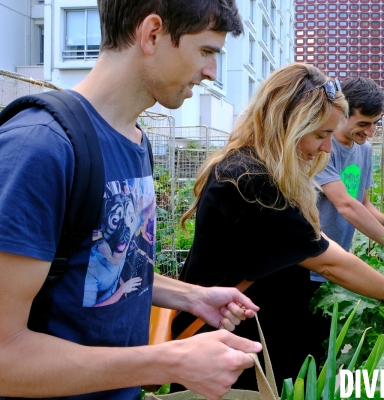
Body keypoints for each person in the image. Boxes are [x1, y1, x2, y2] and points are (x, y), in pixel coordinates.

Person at [0, 1, 263, 399]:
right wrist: (169, 361)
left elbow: (100, 268)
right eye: (207, 51)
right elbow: (5, 357)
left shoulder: (136, 140)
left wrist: (193, 297)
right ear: (152, 34)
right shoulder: (40, 147)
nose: (211, 71)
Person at [174, 63, 384, 391]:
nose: (326, 148)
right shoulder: (250, 181)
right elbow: (330, 262)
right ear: (288, 124)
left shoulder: (256, 169)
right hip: (230, 343)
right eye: (321, 134)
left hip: (251, 331)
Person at [315, 77, 384, 259]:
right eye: (362, 124)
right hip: (311, 257)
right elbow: (346, 205)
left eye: (375, 123)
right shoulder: (321, 148)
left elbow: (361, 202)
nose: (370, 132)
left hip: (340, 254)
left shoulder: (364, 148)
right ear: (342, 114)